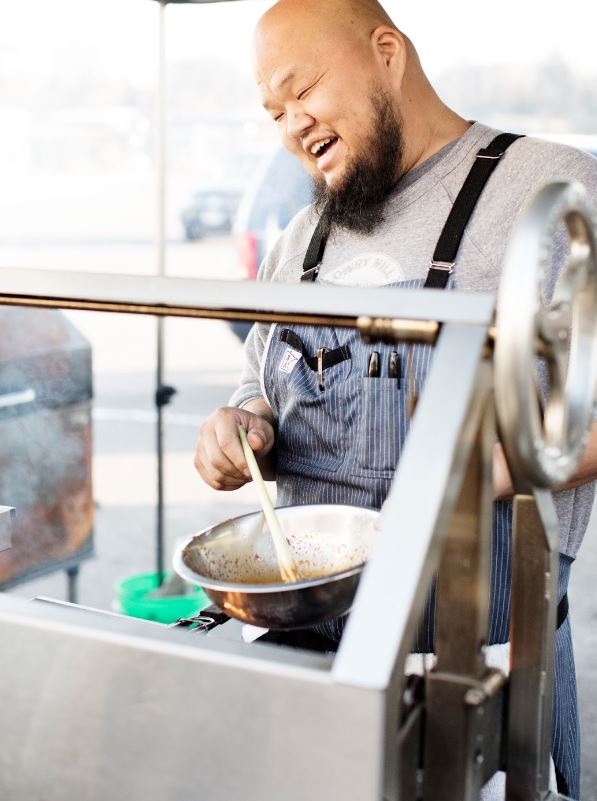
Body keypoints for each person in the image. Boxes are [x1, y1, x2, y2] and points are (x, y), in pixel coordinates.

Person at [194, 1, 597, 797]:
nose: (289, 125)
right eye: (272, 112)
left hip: (475, 667)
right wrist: (242, 426)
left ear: (386, 52)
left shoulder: (552, 191)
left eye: (299, 88)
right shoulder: (301, 237)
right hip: (309, 660)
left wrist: (475, 473)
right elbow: (258, 383)